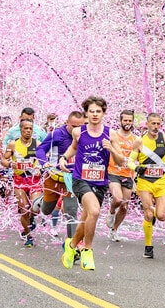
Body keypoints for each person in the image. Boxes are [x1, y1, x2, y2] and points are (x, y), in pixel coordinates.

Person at [58, 96, 125, 271]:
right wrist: (64, 157)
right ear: (86, 114)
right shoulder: (79, 132)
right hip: (81, 179)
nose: (95, 114)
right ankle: (87, 250)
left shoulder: (110, 134)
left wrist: (111, 149)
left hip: (100, 182)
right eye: (91, 111)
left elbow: (120, 161)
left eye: (98, 111)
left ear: (103, 113)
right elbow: (74, 147)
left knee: (87, 218)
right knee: (94, 211)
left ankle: (71, 247)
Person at [126, 113, 165, 259]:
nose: (155, 127)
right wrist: (136, 168)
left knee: (161, 215)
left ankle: (153, 212)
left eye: (158, 124)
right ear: (147, 124)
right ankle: (148, 247)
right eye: (153, 124)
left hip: (161, 181)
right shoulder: (139, 141)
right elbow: (130, 161)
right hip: (145, 182)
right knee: (148, 214)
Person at [35, 111, 84, 241]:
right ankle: (40, 201)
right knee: (47, 210)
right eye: (74, 126)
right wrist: (44, 163)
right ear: (66, 123)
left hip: (72, 178)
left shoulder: (85, 135)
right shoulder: (57, 134)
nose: (77, 130)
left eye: (80, 126)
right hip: (54, 177)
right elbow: (40, 150)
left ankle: (72, 246)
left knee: (71, 211)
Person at [1, 119, 43, 247]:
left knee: (36, 208)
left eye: (30, 128)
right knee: (24, 208)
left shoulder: (38, 143)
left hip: (34, 181)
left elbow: (43, 160)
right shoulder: (13, 144)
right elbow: (3, 159)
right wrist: (9, 164)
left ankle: (31, 218)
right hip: (19, 181)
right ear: (21, 130)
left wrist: (39, 168)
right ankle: (28, 234)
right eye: (26, 128)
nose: (28, 131)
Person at [105, 110, 137, 242]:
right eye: (125, 120)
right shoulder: (113, 135)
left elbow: (137, 159)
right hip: (113, 172)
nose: (128, 123)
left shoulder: (136, 139)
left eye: (130, 120)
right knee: (118, 199)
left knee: (124, 206)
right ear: (121, 121)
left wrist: (135, 180)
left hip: (128, 174)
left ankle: (114, 230)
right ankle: (111, 210)